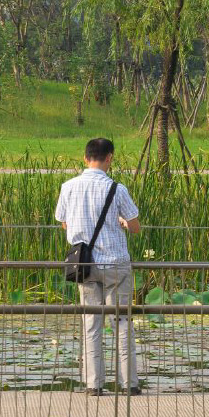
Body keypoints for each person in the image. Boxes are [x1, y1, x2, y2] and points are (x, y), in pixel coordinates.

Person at [55, 138, 142, 395]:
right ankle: (129, 385)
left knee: (91, 323)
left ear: (85, 158)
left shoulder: (68, 187)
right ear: (109, 158)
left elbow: (64, 224)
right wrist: (122, 224)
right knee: (122, 322)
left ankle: (94, 385)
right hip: (115, 264)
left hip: (85, 264)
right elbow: (135, 226)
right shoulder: (117, 189)